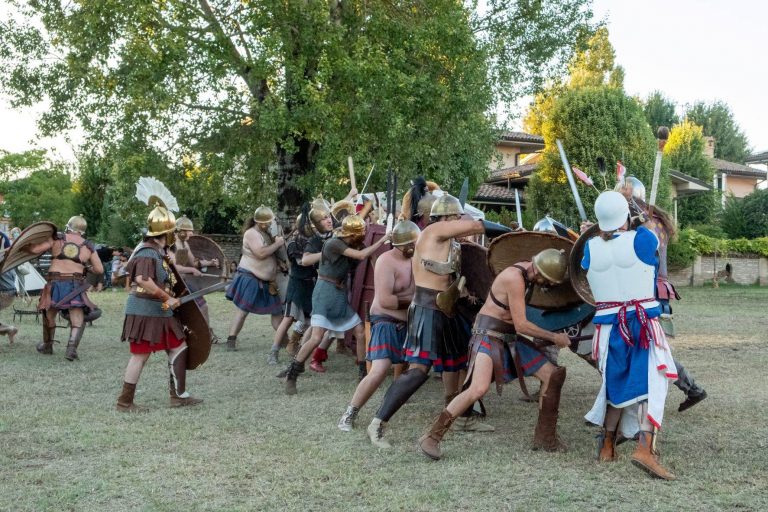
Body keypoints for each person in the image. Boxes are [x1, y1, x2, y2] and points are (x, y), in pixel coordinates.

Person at [418, 248, 573, 459]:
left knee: (552, 375)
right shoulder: (514, 278)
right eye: (546, 281)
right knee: (477, 389)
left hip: (507, 337)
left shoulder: (527, 274)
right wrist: (554, 337)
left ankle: (546, 438)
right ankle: (432, 437)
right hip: (488, 335)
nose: (546, 286)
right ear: (539, 272)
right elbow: (521, 325)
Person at [365, 194, 491, 449]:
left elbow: (448, 277)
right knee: (418, 372)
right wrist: (512, 232)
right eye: (455, 216)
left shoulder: (449, 243)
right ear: (446, 217)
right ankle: (377, 423)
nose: (458, 220)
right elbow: (479, 225)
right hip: (427, 309)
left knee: (458, 361)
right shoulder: (435, 230)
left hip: (446, 308)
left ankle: (463, 416)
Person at [583, 191, 677, 480]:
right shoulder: (643, 238)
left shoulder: (589, 248)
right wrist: (640, 220)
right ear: (625, 215)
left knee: (615, 385)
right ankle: (645, 449)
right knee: (651, 384)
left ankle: (607, 446)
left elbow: (586, 267)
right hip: (641, 323)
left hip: (609, 327)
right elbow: (654, 248)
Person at [617, 176, 707, 412]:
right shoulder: (644, 219)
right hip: (652, 289)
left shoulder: (648, 223)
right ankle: (691, 388)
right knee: (650, 348)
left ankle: (686, 389)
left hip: (650, 290)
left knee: (651, 349)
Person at [116, 179, 202, 411]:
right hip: (144, 310)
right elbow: (142, 280)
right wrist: (167, 298)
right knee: (140, 356)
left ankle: (179, 396)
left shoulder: (159, 252)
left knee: (178, 346)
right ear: (167, 232)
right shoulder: (147, 253)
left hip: (160, 311)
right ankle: (125, 402)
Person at [281, 214, 391, 395]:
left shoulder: (353, 244)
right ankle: (292, 374)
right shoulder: (334, 243)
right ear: (354, 233)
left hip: (339, 294)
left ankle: (363, 373)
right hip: (324, 292)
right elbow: (362, 255)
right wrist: (383, 240)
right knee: (316, 337)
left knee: (360, 331)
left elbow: (370, 259)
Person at [338, 220, 419, 431]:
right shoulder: (386, 260)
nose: (415, 247)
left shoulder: (417, 259)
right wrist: (416, 298)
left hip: (409, 322)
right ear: (402, 244)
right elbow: (386, 301)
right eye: (412, 243)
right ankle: (349, 413)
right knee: (380, 369)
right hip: (385, 320)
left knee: (420, 368)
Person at [29, 215, 104, 361]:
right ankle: (71, 349)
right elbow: (99, 270)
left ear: (68, 226)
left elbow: (35, 250)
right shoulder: (88, 245)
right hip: (74, 284)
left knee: (49, 315)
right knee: (77, 317)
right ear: (82, 231)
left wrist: (24, 244)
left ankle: (47, 345)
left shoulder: (56, 238)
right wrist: (86, 267)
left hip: (55, 282)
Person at [268, 203, 333, 365]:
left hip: (310, 285)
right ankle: (273, 352)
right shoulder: (294, 242)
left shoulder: (313, 240)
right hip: (297, 285)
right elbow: (303, 262)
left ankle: (300, 349)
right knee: (288, 318)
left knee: (312, 321)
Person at [224, 206, 285, 351]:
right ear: (260, 222)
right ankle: (231, 340)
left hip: (268, 282)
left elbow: (270, 255)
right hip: (250, 277)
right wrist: (278, 243)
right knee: (243, 311)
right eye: (268, 222)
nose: (270, 224)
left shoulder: (265, 233)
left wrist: (280, 263)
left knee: (277, 311)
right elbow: (261, 253)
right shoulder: (251, 233)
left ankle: (283, 339)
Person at [0, 230, 19, 343]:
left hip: (3, 294)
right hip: (9, 293)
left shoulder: (2, 258)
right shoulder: (10, 259)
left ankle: (8, 329)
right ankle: (9, 330)